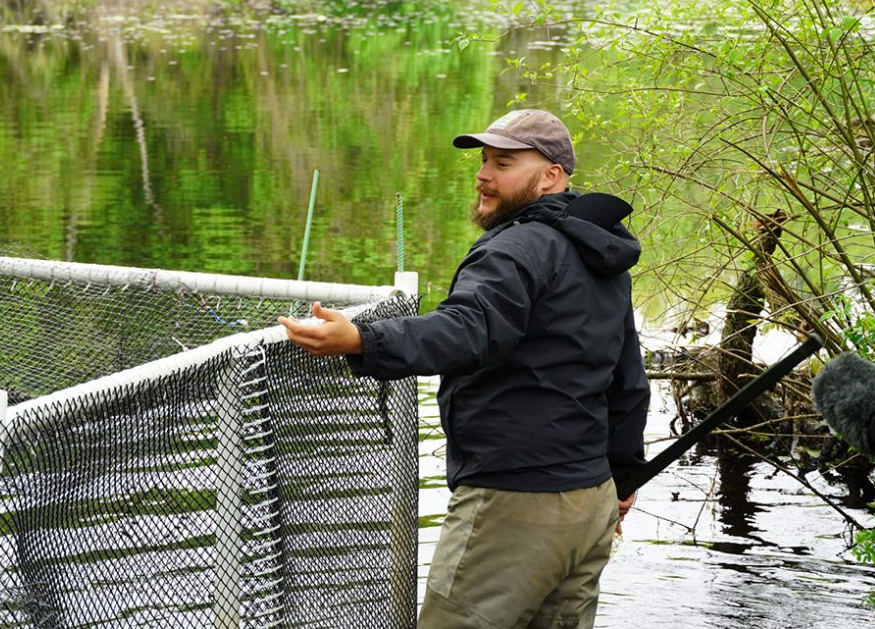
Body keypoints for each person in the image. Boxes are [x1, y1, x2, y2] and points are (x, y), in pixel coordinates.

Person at [279, 108, 650, 629]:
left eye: (502, 163)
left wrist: (362, 338)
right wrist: (623, 477)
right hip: (590, 503)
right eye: (483, 162)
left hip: (516, 505)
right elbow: (627, 380)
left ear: (551, 175)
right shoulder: (598, 256)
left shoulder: (516, 248)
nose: (483, 175)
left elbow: (468, 327)